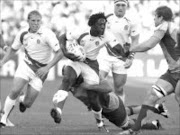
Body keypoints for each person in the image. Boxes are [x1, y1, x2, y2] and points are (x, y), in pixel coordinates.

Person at [50, 12, 121, 128]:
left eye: (104, 24)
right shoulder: (81, 31)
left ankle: (99, 122)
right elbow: (62, 37)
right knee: (67, 79)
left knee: (93, 97)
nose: (103, 27)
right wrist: (66, 52)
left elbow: (119, 49)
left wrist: (128, 52)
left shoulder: (107, 35)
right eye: (100, 24)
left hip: (91, 65)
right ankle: (58, 111)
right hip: (76, 60)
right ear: (92, 25)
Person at [119, 6, 180, 135]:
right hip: (173, 72)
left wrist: (131, 49)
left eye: (155, 16)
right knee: (151, 95)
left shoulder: (163, 26)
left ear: (161, 17)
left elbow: (149, 44)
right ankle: (135, 130)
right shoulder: (172, 26)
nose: (153, 19)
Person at [0, 10, 63, 127]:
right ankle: (3, 120)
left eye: (38, 21)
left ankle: (22, 98)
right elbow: (13, 49)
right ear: (28, 21)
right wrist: (3, 62)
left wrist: (47, 68)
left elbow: (60, 53)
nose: (36, 23)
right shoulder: (22, 33)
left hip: (41, 72)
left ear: (41, 22)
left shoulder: (47, 34)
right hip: (26, 65)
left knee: (27, 104)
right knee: (14, 90)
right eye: (33, 21)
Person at [69, 74, 166, 132]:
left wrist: (99, 121)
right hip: (112, 101)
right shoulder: (76, 84)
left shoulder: (91, 77)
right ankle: (156, 107)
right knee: (126, 110)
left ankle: (153, 124)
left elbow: (107, 88)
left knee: (126, 125)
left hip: (110, 106)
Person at [98, 0, 140, 103]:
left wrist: (131, 57)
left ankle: (120, 113)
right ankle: (104, 106)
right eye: (118, 5)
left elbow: (135, 41)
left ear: (126, 7)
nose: (120, 8)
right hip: (105, 54)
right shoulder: (106, 18)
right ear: (114, 6)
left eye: (123, 5)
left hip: (121, 57)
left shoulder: (132, 21)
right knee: (99, 79)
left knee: (119, 88)